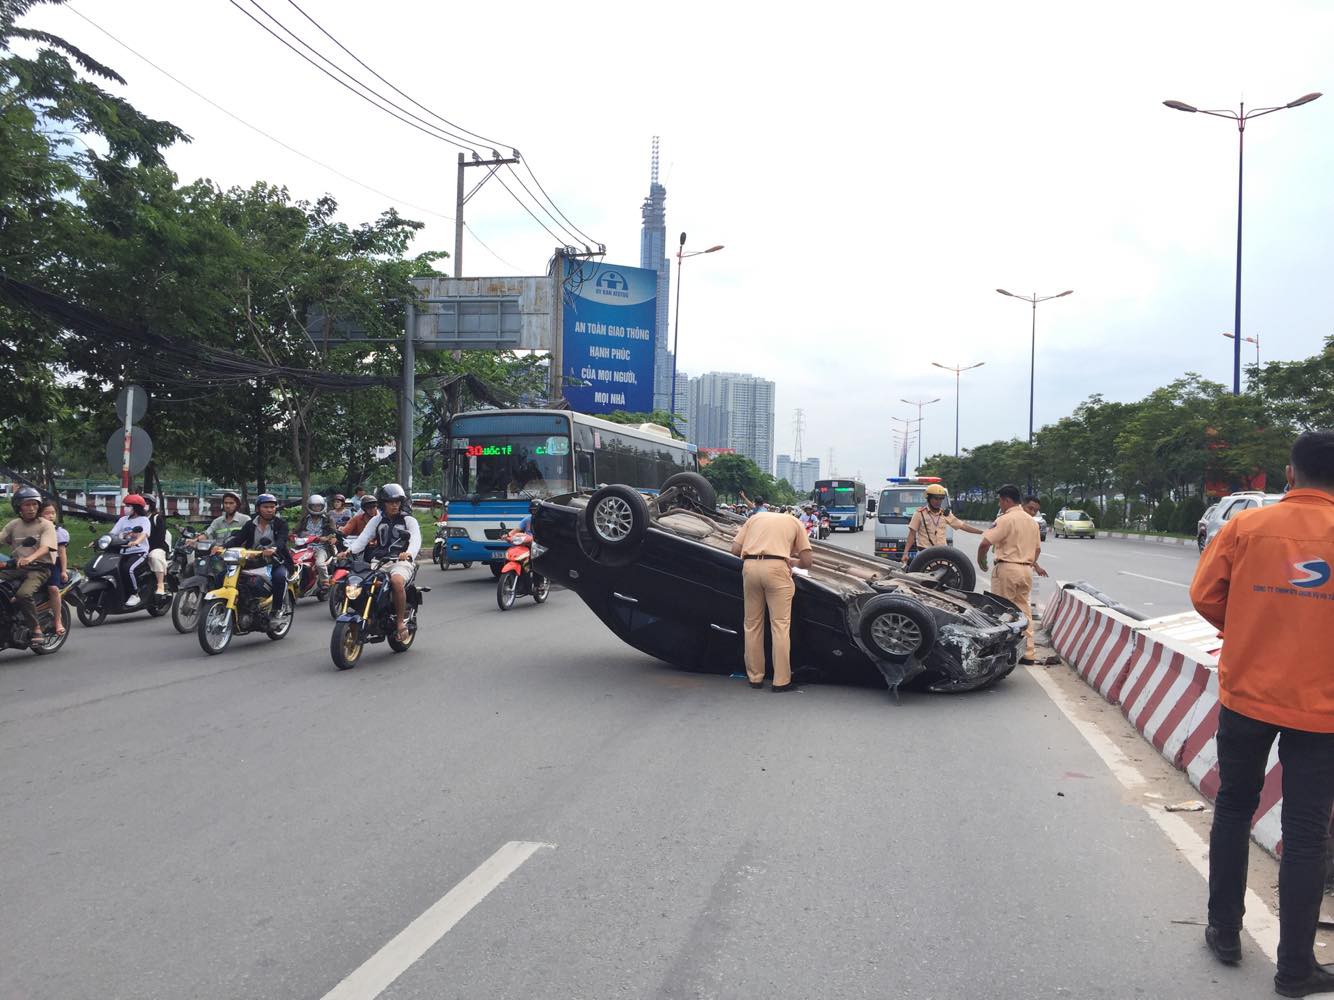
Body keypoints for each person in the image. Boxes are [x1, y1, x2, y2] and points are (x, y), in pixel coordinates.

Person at [1190, 430, 1334, 996]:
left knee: (1233, 807)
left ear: (1291, 473)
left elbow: (1204, 596)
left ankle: (1224, 931)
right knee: (1305, 834)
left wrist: (1249, 630)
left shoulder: (1246, 527)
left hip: (1247, 695)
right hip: (1322, 709)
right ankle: (1295, 968)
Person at [729, 508, 814, 691]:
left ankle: (755, 677)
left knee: (752, 624)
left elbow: (735, 549)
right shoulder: (795, 522)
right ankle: (781, 681)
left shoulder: (754, 518)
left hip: (750, 567)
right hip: (777, 569)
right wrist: (793, 562)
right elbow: (807, 561)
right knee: (780, 625)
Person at [975, 484, 1055, 665]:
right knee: (1024, 611)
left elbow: (985, 544)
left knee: (999, 611)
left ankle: (999, 653)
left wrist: (982, 562)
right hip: (1026, 570)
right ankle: (1028, 653)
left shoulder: (1006, 519)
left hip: (1007, 569)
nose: (1000, 505)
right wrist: (1030, 564)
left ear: (1006, 500)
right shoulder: (1031, 523)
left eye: (1000, 501)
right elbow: (1037, 550)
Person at [342, 483, 420, 643]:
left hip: (400, 561)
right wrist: (348, 551)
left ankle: (399, 624)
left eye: (397, 502)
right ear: (383, 503)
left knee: (396, 581)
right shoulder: (377, 520)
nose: (395, 505)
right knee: (360, 581)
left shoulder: (409, 520)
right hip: (379, 561)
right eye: (391, 502)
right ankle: (368, 614)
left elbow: (416, 540)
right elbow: (363, 538)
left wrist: (409, 554)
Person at [1, 487, 57, 644]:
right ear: (18, 507)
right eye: (27, 505)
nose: (32, 508)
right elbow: (1, 539)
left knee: (23, 594)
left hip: (39, 569)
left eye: (34, 504)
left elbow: (45, 547)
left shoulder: (45, 525)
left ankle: (35, 629)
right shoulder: (14, 524)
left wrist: (30, 558)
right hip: (16, 567)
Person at [220, 493, 290, 610]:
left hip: (275, 561)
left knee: (279, 578)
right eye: (266, 507)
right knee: (221, 576)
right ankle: (223, 605)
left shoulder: (281, 524)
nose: (269, 510)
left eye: (272, 507)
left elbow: (281, 540)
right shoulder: (250, 524)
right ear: (258, 508)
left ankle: (276, 610)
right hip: (251, 560)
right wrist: (222, 547)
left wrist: (273, 549)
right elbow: (238, 540)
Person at [900, 483, 983, 564]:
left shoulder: (945, 514)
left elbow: (963, 526)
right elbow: (912, 534)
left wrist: (982, 532)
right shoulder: (919, 514)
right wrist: (905, 553)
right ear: (928, 498)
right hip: (924, 555)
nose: (938, 501)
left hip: (942, 555)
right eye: (936, 498)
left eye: (941, 498)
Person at [110, 493, 152, 607]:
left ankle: (135, 594)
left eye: (128, 506)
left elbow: (144, 534)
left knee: (128, 569)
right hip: (122, 552)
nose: (126, 508)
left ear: (136, 508)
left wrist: (136, 542)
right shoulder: (123, 520)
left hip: (139, 552)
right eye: (125, 505)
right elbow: (112, 533)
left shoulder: (144, 520)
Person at [296, 494, 337, 588]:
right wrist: (291, 534)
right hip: (305, 547)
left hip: (321, 548)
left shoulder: (327, 519)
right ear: (310, 506)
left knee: (319, 563)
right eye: (314, 505)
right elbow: (296, 530)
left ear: (322, 506)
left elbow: (334, 532)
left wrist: (331, 538)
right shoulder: (305, 519)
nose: (316, 508)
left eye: (318, 505)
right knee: (295, 562)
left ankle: (325, 581)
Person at [40, 499, 68, 635]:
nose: (51, 516)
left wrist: (63, 570)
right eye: (47, 513)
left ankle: (58, 620)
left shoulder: (59, 532)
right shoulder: (34, 529)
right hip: (34, 565)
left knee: (53, 588)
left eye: (53, 513)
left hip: (53, 565)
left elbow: (62, 553)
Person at [144, 496, 170, 597]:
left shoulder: (156, 518)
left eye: (146, 503)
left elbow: (160, 537)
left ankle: (160, 584)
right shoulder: (136, 519)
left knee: (154, 556)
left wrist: (147, 549)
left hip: (156, 547)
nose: (144, 505)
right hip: (137, 548)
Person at [1021, 495, 1051, 579]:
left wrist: (1035, 566)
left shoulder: (1034, 525)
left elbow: (1036, 550)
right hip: (1022, 570)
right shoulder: (1013, 521)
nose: (1033, 512)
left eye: (1036, 510)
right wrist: (1036, 566)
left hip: (1022, 570)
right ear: (1022, 505)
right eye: (1030, 508)